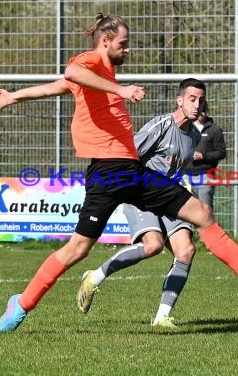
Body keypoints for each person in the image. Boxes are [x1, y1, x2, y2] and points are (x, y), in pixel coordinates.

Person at [0, 14, 238, 333]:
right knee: (78, 248)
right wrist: (122, 90)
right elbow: (70, 72)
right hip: (106, 174)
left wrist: (14, 96)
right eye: (122, 44)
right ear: (105, 42)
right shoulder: (90, 63)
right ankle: (21, 304)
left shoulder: (100, 75)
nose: (127, 50)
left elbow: (58, 87)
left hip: (131, 171)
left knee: (202, 212)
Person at [78, 78, 204, 328]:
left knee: (186, 250)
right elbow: (128, 154)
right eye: (192, 99)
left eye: (201, 100)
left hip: (169, 195)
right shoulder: (160, 126)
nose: (197, 104)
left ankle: (162, 317)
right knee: (153, 245)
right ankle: (95, 277)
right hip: (140, 192)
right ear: (179, 100)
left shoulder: (194, 136)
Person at [183, 101, 226, 209]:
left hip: (205, 175)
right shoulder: (186, 127)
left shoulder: (214, 129)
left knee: (205, 210)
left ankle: (208, 227)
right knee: (186, 210)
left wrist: (204, 156)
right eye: (199, 110)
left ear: (207, 112)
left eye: (203, 110)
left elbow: (221, 152)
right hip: (185, 175)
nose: (201, 113)